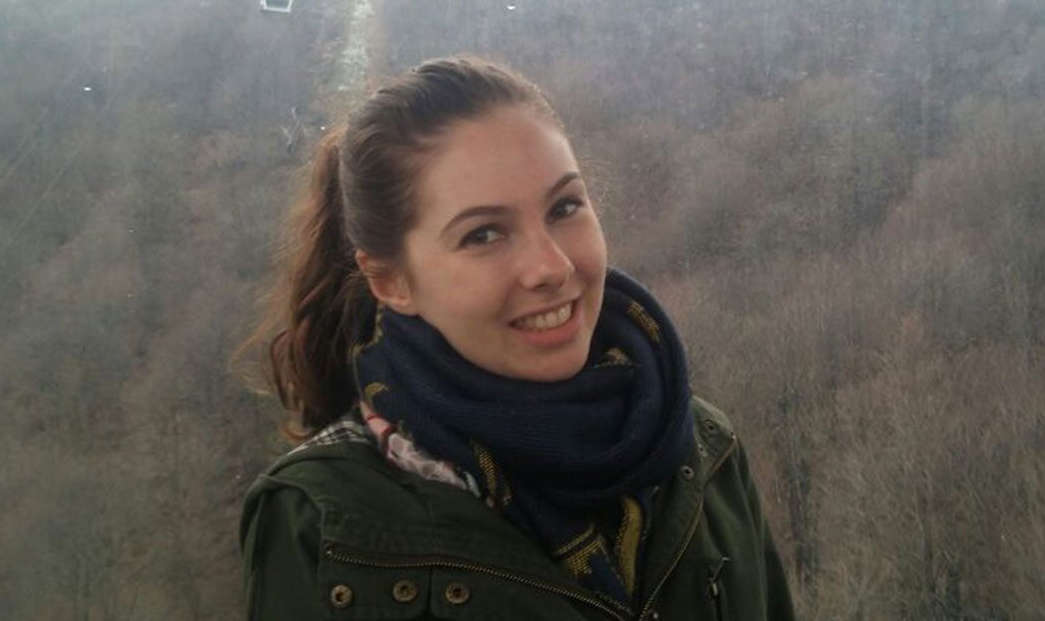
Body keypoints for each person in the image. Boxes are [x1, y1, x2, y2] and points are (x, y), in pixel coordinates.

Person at [239, 56, 796, 620]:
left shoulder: (703, 449)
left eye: (565, 207)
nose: (550, 267)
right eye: (483, 234)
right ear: (392, 281)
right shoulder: (322, 524)